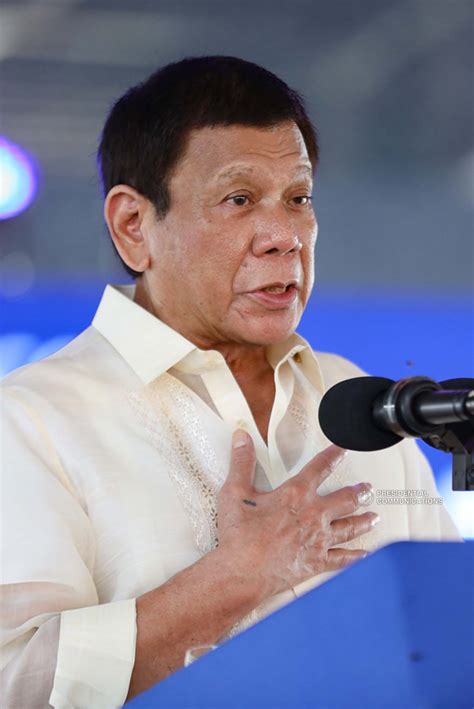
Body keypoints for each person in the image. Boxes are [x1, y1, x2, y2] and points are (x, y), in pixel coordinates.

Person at [0, 56, 461, 708]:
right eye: (239, 199)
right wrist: (230, 580)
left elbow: (444, 639)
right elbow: (13, 682)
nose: (284, 236)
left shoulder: (363, 400)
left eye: (298, 198)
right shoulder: (31, 419)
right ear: (134, 226)